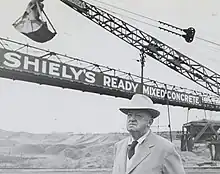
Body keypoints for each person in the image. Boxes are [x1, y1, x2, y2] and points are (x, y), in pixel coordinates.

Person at [112, 94, 185, 174]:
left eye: (138, 116)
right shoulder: (119, 147)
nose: (132, 119)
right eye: (129, 115)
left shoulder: (165, 149)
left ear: (149, 122)